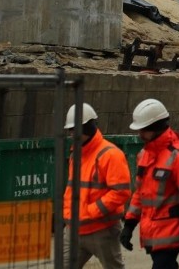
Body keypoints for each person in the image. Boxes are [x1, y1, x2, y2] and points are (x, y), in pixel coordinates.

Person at [120, 99, 179, 269]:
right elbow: (140, 194)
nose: (140, 134)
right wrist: (129, 224)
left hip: (170, 235)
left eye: (143, 130)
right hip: (152, 234)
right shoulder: (144, 154)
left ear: (155, 127)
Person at [63, 103, 132, 269]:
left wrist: (92, 211)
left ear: (86, 128)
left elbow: (121, 192)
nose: (71, 134)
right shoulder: (75, 154)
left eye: (74, 130)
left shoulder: (111, 155)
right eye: (70, 130)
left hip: (102, 230)